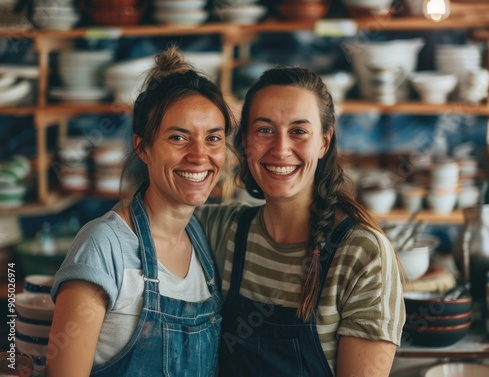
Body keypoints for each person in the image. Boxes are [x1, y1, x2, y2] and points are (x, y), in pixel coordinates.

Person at [195, 66, 405, 376]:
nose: (281, 149)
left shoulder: (362, 253)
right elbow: (149, 217)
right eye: (265, 129)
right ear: (245, 142)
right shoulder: (221, 228)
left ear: (324, 141)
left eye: (299, 131)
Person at [46, 46, 235, 377]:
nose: (199, 155)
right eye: (178, 138)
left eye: (213, 139)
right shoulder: (105, 246)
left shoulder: (201, 242)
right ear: (143, 148)